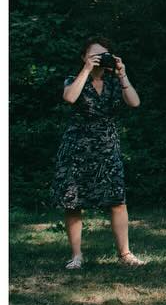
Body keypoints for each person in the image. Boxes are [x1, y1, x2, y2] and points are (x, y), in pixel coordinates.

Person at [52, 39, 143, 269]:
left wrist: (122, 74)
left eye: (105, 54)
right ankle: (76, 256)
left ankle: (125, 254)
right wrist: (86, 70)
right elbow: (70, 97)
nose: (101, 58)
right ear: (84, 57)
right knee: (73, 202)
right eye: (95, 55)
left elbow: (134, 102)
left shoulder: (114, 83)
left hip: (106, 146)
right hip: (77, 146)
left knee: (117, 201)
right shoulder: (74, 80)